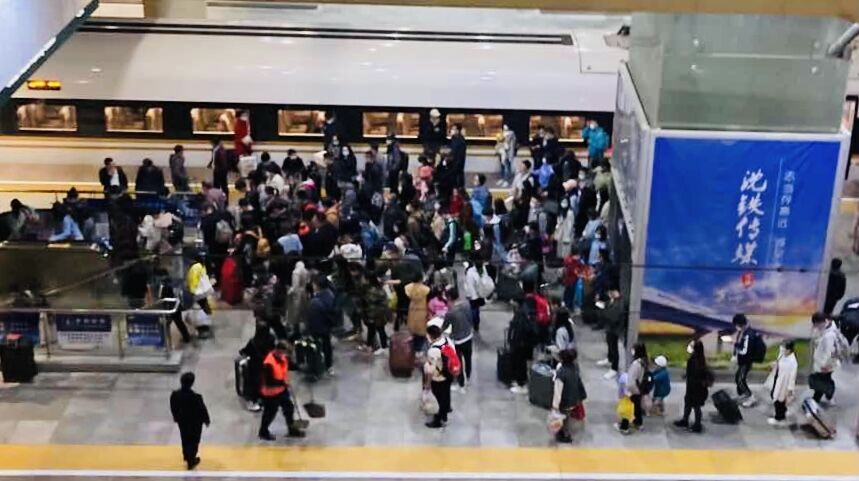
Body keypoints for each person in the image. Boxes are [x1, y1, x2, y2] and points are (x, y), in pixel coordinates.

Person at [258, 342, 306, 440]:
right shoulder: (269, 363)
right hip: (271, 393)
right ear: (279, 350)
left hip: (281, 390)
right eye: (285, 353)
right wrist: (283, 383)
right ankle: (263, 432)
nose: (286, 356)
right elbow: (269, 381)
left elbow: (289, 364)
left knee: (289, 408)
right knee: (270, 413)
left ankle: (292, 430)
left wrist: (300, 368)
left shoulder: (282, 357)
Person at [169, 372, 210, 470]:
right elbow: (202, 409)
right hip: (195, 423)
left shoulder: (175, 395)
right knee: (194, 440)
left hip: (182, 421)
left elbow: (173, 407)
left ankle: (187, 456)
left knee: (185, 438)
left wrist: (176, 417)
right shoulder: (196, 397)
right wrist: (206, 420)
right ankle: (191, 459)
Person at [674, 341, 711, 433]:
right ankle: (685, 420)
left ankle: (697, 425)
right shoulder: (700, 359)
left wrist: (688, 377)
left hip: (695, 388)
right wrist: (687, 375)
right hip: (696, 387)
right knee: (689, 404)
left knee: (695, 406)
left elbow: (695, 374)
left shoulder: (694, 360)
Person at [551, 348, 587, 443]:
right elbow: (579, 383)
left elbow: (558, 392)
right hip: (573, 400)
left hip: (565, 401)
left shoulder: (561, 374)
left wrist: (555, 406)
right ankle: (564, 431)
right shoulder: (574, 369)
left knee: (561, 417)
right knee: (567, 416)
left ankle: (563, 434)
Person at [424, 318, 453, 428]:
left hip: (439, 377)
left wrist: (427, 383)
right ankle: (445, 414)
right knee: (446, 395)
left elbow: (431, 370)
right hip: (449, 373)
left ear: (431, 336)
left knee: (438, 398)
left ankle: (438, 420)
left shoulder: (433, 350)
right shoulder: (447, 341)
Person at [239, 322, 276, 412]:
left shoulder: (253, 342)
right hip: (268, 366)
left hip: (255, 367)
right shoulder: (271, 339)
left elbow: (244, 351)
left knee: (251, 381)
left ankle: (253, 399)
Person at [444, 287, 474, 391]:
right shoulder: (466, 305)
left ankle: (461, 384)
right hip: (468, 336)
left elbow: (444, 326)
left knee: (458, 362)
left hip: (458, 340)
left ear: (449, 298)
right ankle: (468, 378)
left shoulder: (450, 313)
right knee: (468, 359)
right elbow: (471, 319)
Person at [307, 276, 336, 375]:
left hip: (319, 327)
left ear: (317, 286)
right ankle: (329, 365)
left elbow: (312, 317)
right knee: (327, 345)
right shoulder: (330, 295)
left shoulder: (315, 301)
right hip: (327, 326)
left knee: (318, 345)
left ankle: (318, 363)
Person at [618, 342, 648, 434]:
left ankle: (624, 427)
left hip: (633, 389)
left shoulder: (636, 364)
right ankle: (638, 423)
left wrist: (628, 391)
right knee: (636, 407)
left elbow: (631, 380)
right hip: (639, 388)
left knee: (627, 408)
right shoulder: (644, 361)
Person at [810, 312, 839, 405]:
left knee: (821, 383)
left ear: (821, 322)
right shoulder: (829, 327)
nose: (815, 327)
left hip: (826, 364)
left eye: (816, 325)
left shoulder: (829, 336)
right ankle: (829, 396)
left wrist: (825, 366)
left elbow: (829, 353)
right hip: (825, 363)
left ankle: (815, 401)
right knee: (826, 380)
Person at [597, 288, 626, 380]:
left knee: (614, 347)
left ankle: (614, 368)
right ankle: (609, 358)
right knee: (609, 344)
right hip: (609, 327)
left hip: (614, 329)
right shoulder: (612, 301)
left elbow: (614, 316)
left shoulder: (619, 303)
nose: (609, 294)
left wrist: (604, 310)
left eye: (611, 292)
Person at [768, 340, 798, 427]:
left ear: (789, 350)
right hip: (778, 379)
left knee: (779, 400)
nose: (782, 349)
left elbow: (792, 377)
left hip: (784, 384)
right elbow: (779, 361)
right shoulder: (783, 354)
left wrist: (790, 389)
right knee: (774, 395)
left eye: (784, 348)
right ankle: (782, 413)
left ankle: (779, 418)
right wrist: (775, 364)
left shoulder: (793, 362)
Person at [732, 313, 756, 407]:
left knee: (740, 380)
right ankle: (743, 395)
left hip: (746, 361)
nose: (736, 327)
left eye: (736, 325)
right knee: (738, 378)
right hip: (743, 361)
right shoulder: (744, 331)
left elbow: (745, 351)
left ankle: (751, 397)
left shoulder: (748, 335)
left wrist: (735, 345)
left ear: (740, 324)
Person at [405, 279, 431, 353]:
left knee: (414, 329)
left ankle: (414, 349)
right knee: (421, 330)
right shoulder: (425, 289)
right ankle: (420, 350)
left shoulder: (408, 288)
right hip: (422, 311)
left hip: (412, 310)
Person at [448, 123, 467, 188]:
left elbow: (461, 155)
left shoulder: (461, 141)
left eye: (453, 129)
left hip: (458, 162)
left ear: (458, 130)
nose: (452, 130)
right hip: (452, 161)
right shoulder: (453, 138)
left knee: (458, 176)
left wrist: (457, 163)